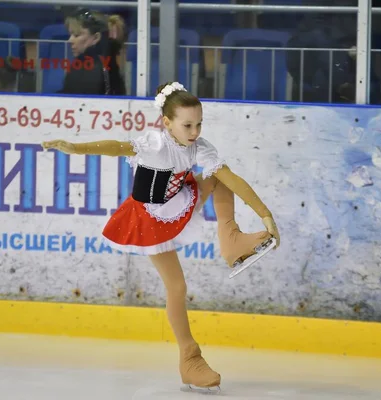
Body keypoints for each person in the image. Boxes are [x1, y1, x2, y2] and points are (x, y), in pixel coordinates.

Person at [41, 81, 280, 393]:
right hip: (149, 217)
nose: (194, 132)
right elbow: (117, 146)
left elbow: (231, 178)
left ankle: (232, 240)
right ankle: (189, 358)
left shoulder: (200, 147)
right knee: (177, 286)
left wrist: (265, 214)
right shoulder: (155, 144)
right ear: (167, 123)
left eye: (198, 124)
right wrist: (76, 148)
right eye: (187, 125)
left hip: (181, 198)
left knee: (219, 175)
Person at [60, 7, 126, 96]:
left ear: (96, 38)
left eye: (76, 35)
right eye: (70, 35)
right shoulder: (108, 61)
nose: (70, 40)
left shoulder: (87, 65)